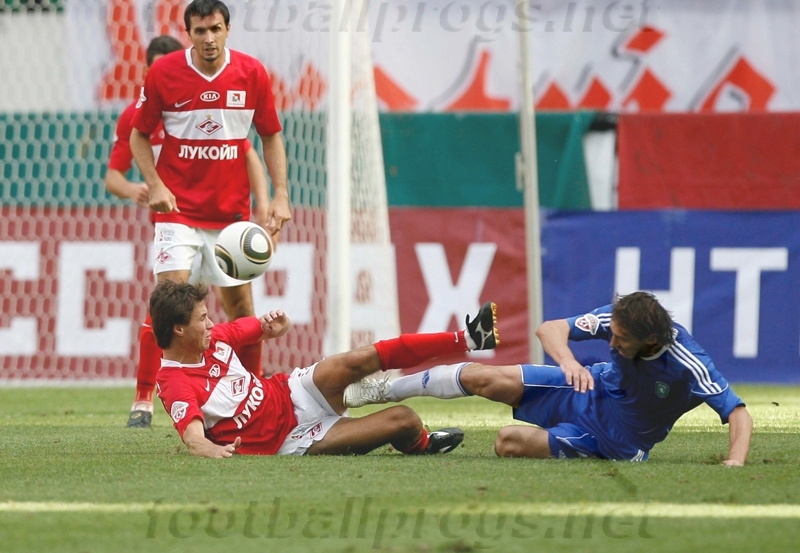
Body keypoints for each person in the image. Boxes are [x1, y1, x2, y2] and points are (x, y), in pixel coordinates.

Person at [345, 292, 753, 465]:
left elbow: (738, 412)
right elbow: (550, 328)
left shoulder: (688, 362)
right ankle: (381, 390)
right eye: (611, 333)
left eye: (621, 339)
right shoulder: (618, 320)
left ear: (650, 340)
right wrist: (569, 361)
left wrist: (735, 461)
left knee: (507, 442)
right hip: (584, 387)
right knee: (483, 377)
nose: (611, 341)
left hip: (615, 440)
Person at [129, 0, 293, 426]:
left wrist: (279, 196)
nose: (208, 38)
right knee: (169, 303)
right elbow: (138, 136)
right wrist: (156, 184)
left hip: (230, 219)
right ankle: (146, 400)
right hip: (178, 213)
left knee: (242, 310)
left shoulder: (252, 73)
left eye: (215, 29)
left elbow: (269, 137)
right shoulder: (164, 73)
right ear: (188, 34)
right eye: (200, 31)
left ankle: (253, 392)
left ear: (227, 29)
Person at [150, 280, 500, 457]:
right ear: (179, 329)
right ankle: (421, 444)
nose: (211, 323)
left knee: (356, 360)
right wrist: (214, 450)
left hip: (293, 390)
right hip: (293, 438)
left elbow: (264, 327)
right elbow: (193, 439)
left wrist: (278, 325)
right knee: (405, 420)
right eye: (202, 318)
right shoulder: (175, 381)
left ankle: (468, 338)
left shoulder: (215, 338)